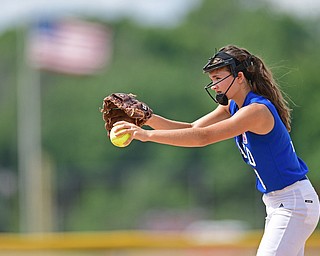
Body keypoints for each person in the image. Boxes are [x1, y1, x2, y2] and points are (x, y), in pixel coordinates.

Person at [113, 45, 320, 256]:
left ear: (239, 77)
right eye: (212, 80)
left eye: (218, 78)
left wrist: (146, 136)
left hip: (293, 204)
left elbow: (203, 137)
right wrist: (149, 120)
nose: (214, 85)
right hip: (281, 204)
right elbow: (193, 129)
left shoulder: (257, 110)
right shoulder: (233, 107)